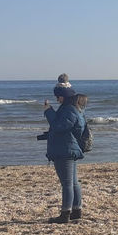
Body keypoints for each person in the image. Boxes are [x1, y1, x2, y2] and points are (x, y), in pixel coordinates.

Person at [43, 85, 85, 223]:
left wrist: (49, 112)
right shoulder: (74, 109)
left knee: (67, 183)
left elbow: (59, 126)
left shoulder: (68, 110)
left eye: (58, 96)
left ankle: (65, 214)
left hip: (65, 150)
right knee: (73, 182)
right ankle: (76, 210)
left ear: (64, 96)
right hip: (68, 148)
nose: (57, 99)